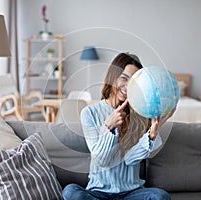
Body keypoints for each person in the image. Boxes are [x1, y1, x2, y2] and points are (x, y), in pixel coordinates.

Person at [62, 52, 174, 200]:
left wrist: (152, 134)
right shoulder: (89, 113)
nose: (128, 86)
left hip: (131, 194)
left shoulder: (139, 115)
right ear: (113, 77)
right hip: (98, 193)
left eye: (134, 82)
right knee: (70, 192)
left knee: (160, 196)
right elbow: (101, 160)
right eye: (124, 78)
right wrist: (108, 126)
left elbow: (130, 159)